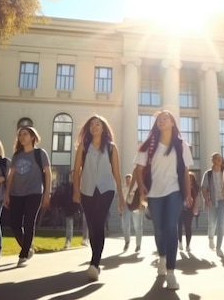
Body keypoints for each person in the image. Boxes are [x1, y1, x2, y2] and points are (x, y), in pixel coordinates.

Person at [134, 110, 194, 290]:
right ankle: (162, 257)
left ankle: (171, 272)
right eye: (159, 119)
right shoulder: (149, 145)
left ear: (173, 123)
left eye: (165, 118)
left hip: (174, 191)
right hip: (153, 193)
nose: (161, 121)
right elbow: (138, 169)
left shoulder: (181, 145)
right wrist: (142, 188)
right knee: (159, 230)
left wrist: (188, 194)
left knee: (171, 228)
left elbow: (185, 172)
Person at [72, 115, 124, 281]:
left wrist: (121, 196)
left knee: (99, 223)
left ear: (103, 128)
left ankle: (95, 263)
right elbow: (76, 171)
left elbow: (116, 172)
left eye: (98, 124)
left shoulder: (111, 148)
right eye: (92, 125)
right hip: (87, 190)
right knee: (92, 226)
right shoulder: (84, 147)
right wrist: (76, 191)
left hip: (106, 189)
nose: (94, 127)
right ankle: (95, 259)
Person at [3, 127, 51, 267]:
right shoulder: (17, 155)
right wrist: (7, 194)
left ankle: (23, 255)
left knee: (29, 222)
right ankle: (28, 248)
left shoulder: (40, 153)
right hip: (17, 193)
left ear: (32, 137)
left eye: (25, 134)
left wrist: (47, 193)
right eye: (20, 135)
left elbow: (48, 173)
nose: (22, 137)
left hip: (34, 192)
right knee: (14, 224)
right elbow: (11, 176)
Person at [201, 152, 224, 257]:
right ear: (212, 160)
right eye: (217, 158)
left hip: (223, 201)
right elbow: (203, 188)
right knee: (212, 223)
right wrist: (206, 200)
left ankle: (218, 248)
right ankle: (211, 237)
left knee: (221, 224)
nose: (219, 160)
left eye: (220, 158)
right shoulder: (208, 174)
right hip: (212, 201)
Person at [121, 171, 144, 253]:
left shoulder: (136, 187)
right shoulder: (123, 188)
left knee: (138, 226)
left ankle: (138, 245)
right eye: (126, 179)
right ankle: (127, 242)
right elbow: (122, 198)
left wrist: (141, 204)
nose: (128, 180)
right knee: (125, 224)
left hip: (135, 206)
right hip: (126, 206)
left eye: (129, 178)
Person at [178, 172, 200, 252]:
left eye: (191, 179)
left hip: (189, 210)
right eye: (188, 179)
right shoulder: (181, 187)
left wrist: (196, 207)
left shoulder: (194, 189)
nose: (189, 181)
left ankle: (188, 245)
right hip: (180, 209)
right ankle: (180, 241)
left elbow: (196, 199)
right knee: (179, 226)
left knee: (188, 227)